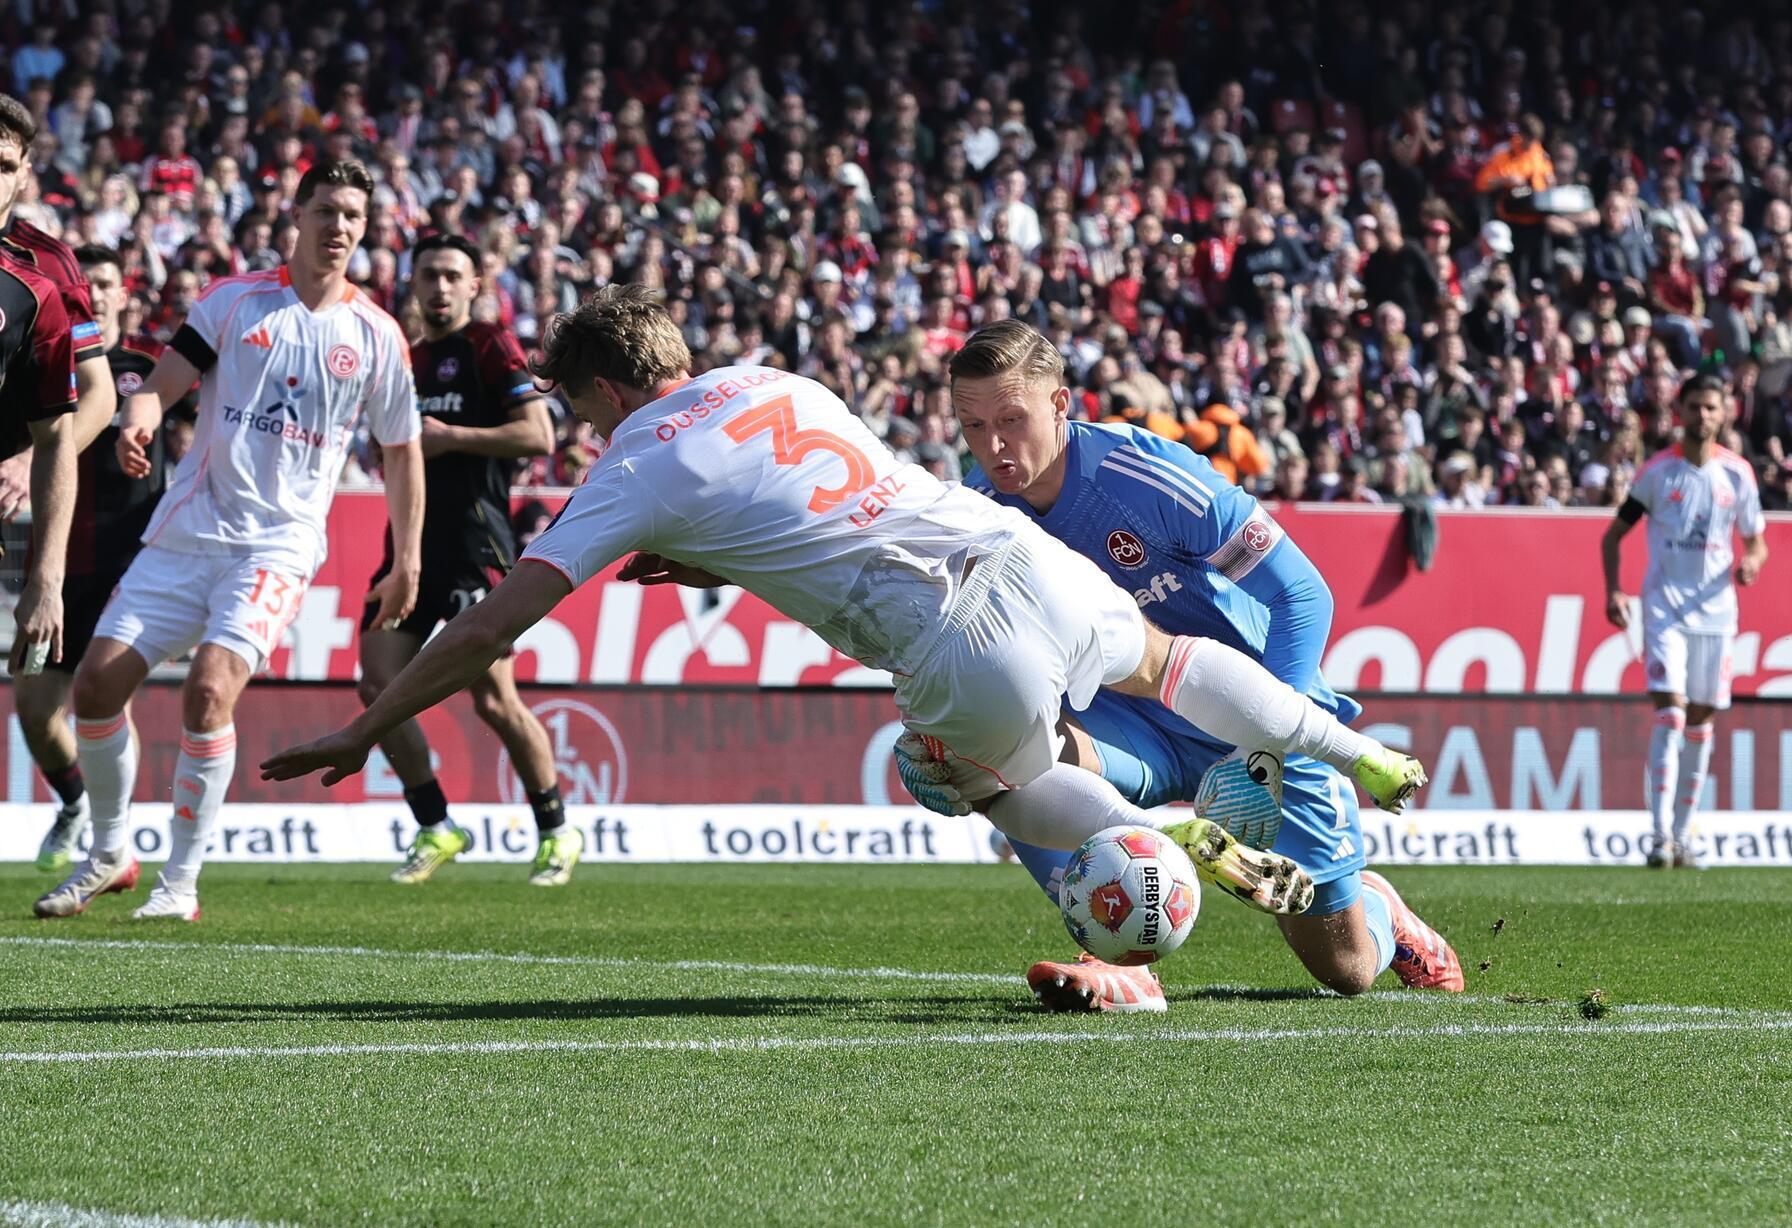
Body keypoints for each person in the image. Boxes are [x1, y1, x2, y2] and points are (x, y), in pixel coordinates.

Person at [263, 288, 1427, 931]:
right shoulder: (785, 381)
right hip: (1014, 553)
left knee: (984, 779)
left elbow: (485, 630)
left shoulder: (627, 465)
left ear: (609, 393)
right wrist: (714, 559)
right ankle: (1355, 749)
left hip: (948, 644)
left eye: (585, 411)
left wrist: (368, 726)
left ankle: (1162, 838)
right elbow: (813, 517)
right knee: (1165, 660)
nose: (589, 433)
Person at [900, 320, 1460, 1014]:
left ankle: (1378, 907)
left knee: (1346, 971)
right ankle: (1121, 960)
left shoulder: (1141, 475)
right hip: (1126, 725)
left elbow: (1301, 593)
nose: (993, 446)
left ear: (1061, 405)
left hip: (1252, 710)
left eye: (1011, 419)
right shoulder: (975, 519)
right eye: (974, 424)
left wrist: (1268, 747)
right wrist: (937, 745)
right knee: (1003, 751)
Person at [34, 158, 425, 922]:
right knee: (95, 686)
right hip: (188, 530)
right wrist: (138, 426)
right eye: (325, 211)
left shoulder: (375, 336)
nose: (338, 226)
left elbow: (402, 452)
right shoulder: (235, 301)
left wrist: (406, 557)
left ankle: (180, 884)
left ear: (364, 227)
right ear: (298, 214)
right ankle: (110, 852)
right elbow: (158, 387)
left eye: (352, 215)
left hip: (277, 544)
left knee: (210, 688)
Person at [356, 233, 573, 886]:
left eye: (453, 275)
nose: (440, 287)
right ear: (414, 283)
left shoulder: (489, 345)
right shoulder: (405, 358)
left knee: (495, 700)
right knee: (376, 687)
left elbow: (538, 433)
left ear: (475, 285)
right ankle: (435, 822)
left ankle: (557, 831)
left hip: (477, 550)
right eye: (429, 275)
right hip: (409, 552)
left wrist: (454, 439)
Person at [20, 245, 187, 871]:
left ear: (122, 294)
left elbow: (205, 417)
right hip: (58, 558)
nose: (94, 288)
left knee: (107, 698)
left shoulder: (149, 363)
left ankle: (111, 845)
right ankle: (76, 804)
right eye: (84, 280)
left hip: (129, 560)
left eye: (106, 281)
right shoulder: (45, 356)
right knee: (35, 712)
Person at [1602, 376, 1768, 868]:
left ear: (1725, 413)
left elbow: (1756, 538)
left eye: (1711, 407)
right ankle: (1657, 838)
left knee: (1700, 721)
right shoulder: (1658, 473)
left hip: (1717, 614)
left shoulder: (1737, 475)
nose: (1702, 415)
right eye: (1694, 406)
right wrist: (1614, 588)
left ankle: (1683, 834)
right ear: (1681, 410)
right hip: (1665, 608)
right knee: (1671, 714)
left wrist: (1753, 561)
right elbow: (1613, 536)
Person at [0, 93, 119, 522]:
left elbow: (99, 394)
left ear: (25, 174)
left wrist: (28, 462)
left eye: (6, 166)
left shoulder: (50, 262)